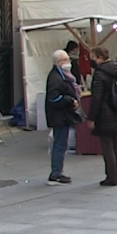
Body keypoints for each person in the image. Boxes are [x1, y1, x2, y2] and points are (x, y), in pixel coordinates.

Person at [87, 46, 117, 186]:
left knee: (107, 146)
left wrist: (91, 117)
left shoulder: (99, 73)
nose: (91, 60)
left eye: (92, 57)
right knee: (115, 144)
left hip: (104, 113)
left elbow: (97, 97)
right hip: (116, 110)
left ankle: (112, 176)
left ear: (99, 57)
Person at [44, 50, 82, 185]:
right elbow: (53, 98)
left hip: (63, 115)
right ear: (57, 62)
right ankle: (55, 174)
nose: (68, 62)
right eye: (64, 60)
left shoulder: (63, 75)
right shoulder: (55, 78)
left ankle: (57, 172)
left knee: (61, 144)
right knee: (59, 145)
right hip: (59, 116)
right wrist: (70, 100)